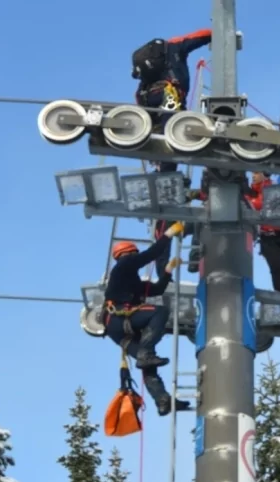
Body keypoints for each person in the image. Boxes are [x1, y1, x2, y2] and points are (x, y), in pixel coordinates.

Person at [132, 29, 212, 273]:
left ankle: (163, 269)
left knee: (162, 150)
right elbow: (204, 34)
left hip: (148, 99)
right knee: (171, 141)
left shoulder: (152, 59)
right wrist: (218, 33)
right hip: (169, 94)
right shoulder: (176, 47)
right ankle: (169, 267)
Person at [102, 222, 191, 415]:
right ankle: (146, 353)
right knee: (160, 312)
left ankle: (162, 400)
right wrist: (168, 234)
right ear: (129, 253)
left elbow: (156, 290)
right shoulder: (125, 265)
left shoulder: (129, 279)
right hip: (119, 318)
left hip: (117, 329)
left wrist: (167, 272)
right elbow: (152, 253)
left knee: (147, 364)